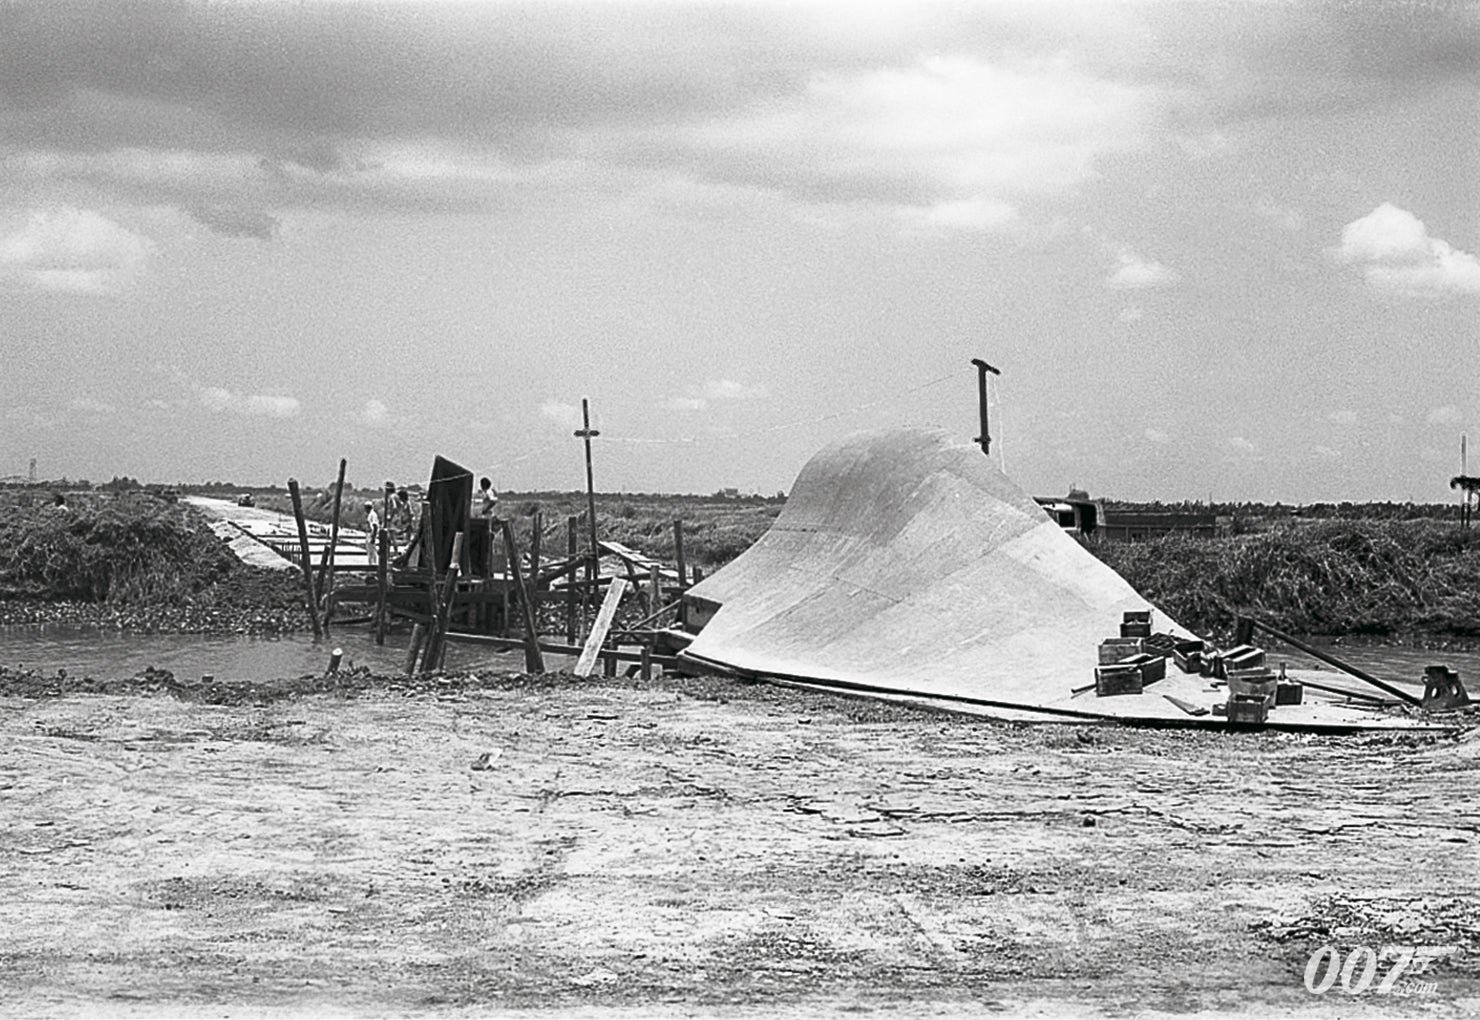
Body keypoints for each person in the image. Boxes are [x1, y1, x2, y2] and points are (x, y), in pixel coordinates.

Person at [364, 501, 380, 569]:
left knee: (372, 551)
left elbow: (375, 526)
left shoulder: (372, 515)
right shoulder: (371, 514)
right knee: (370, 552)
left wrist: (373, 537)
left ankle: (374, 566)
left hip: (371, 534)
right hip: (369, 534)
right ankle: (371, 565)